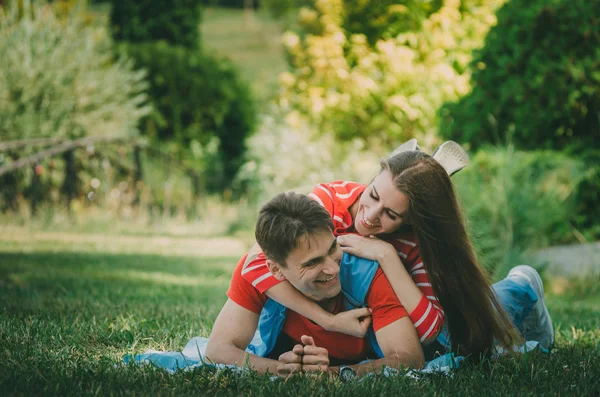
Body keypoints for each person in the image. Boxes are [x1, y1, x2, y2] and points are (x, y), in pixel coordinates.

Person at [240, 144, 545, 358]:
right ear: (373, 178)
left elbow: (430, 333)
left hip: (443, 317)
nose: (370, 216)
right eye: (372, 195)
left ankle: (522, 283)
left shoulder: (418, 243)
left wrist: (386, 257)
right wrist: (327, 321)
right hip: (378, 325)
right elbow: (253, 266)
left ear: (411, 220)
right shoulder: (330, 201)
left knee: (482, 320)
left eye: (391, 215)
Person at [205, 192, 426, 378]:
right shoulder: (255, 275)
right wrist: (284, 370)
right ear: (275, 270)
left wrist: (332, 373)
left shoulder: (366, 273)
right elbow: (218, 349)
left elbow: (409, 357)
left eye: (332, 249)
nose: (333, 268)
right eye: (312, 262)